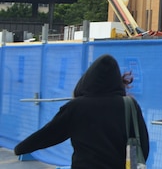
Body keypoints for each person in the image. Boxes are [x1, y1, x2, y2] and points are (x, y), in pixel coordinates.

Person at [14, 54, 149, 169]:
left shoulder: (76, 107)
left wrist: (21, 148)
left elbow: (50, 134)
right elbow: (142, 144)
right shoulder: (129, 105)